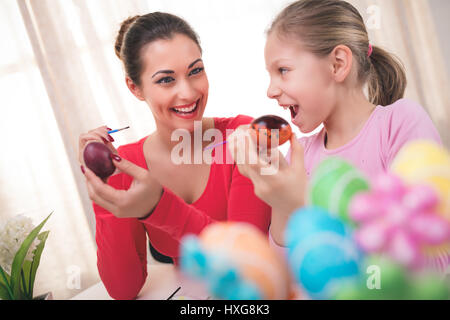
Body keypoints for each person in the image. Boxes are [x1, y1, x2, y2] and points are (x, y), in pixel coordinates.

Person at [78, 12, 271, 300]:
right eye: (166, 80)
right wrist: (103, 186)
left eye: (195, 71)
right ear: (135, 88)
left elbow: (246, 265)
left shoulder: (243, 135)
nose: (188, 92)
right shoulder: (126, 165)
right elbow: (123, 289)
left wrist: (158, 206)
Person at [227, 0, 442, 247]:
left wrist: (302, 204)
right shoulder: (303, 154)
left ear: (337, 63)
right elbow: (287, 271)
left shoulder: (399, 124)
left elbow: (430, 260)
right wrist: (281, 201)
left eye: (283, 70)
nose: (270, 90)